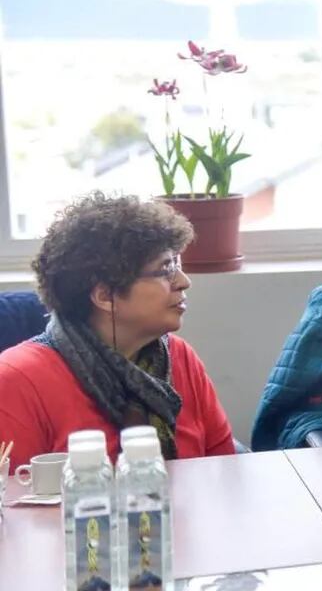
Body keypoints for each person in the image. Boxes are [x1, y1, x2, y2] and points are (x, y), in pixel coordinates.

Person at [0, 192, 235, 472]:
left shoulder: (180, 357)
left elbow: (224, 471)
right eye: (165, 269)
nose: (183, 282)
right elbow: (13, 504)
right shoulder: (17, 380)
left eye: (178, 264)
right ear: (105, 296)